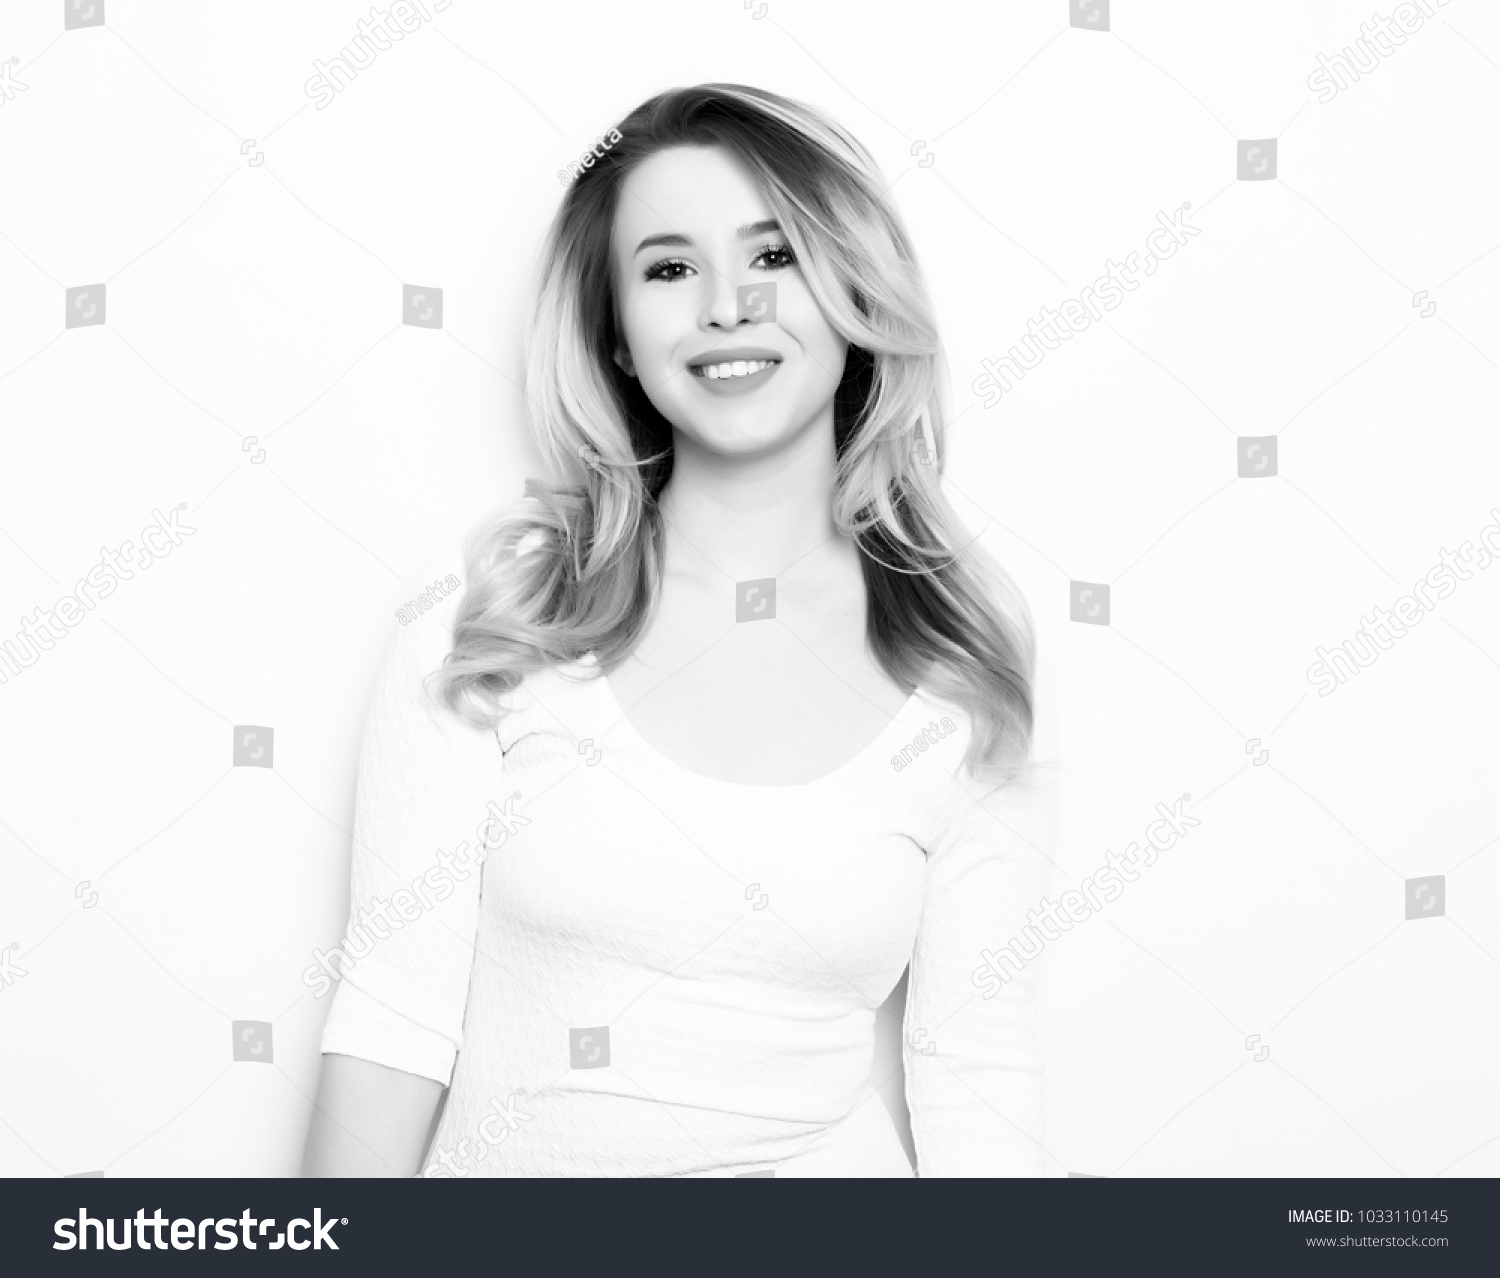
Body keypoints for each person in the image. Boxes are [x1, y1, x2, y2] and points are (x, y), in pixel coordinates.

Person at [301, 83, 1057, 1178]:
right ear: (615, 336)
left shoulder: (960, 645)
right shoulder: (500, 603)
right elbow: (391, 1022)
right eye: (669, 268)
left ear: (853, 289)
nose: (727, 307)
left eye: (776, 256)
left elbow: (975, 1069)